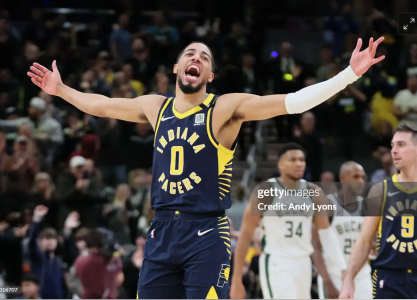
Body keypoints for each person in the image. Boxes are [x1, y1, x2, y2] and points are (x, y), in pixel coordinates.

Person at [27, 37, 385, 299]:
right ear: (177, 68)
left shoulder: (224, 109)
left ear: (210, 74)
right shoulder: (156, 107)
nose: (196, 58)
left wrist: (348, 76)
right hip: (161, 230)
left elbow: (292, 102)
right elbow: (102, 105)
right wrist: (62, 91)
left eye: (204, 57)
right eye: (189, 54)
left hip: (206, 232)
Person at [230, 143, 346, 299]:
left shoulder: (314, 192)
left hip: (304, 262)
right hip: (278, 262)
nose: (298, 163)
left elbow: (326, 234)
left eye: (301, 160)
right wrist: (236, 279)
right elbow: (245, 235)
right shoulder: (266, 191)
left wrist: (342, 268)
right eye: (292, 159)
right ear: (280, 164)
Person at [340, 122, 417, 299]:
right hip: (389, 279)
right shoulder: (380, 190)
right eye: (392, 145)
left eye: (401, 145)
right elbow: (365, 240)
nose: (394, 151)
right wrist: (349, 280)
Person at [312, 161, 372, 299]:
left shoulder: (367, 206)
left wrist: (374, 249)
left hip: (362, 277)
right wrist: (327, 281)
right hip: (335, 276)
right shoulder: (327, 205)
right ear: (343, 178)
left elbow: (372, 244)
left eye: (363, 177)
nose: (361, 181)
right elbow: (316, 247)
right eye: (356, 177)